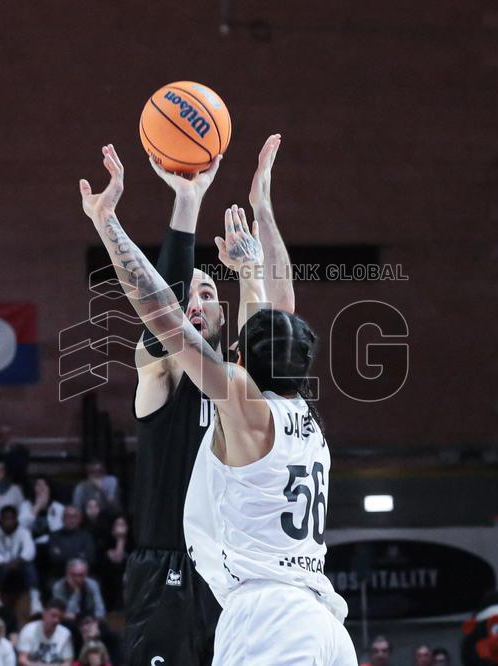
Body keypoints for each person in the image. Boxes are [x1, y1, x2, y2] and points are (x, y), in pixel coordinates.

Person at [80, 144, 355, 664]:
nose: (194, 301)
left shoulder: (241, 395)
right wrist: (253, 210)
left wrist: (107, 224)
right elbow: (276, 306)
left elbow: (163, 307)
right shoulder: (288, 401)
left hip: (258, 600)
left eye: (209, 293)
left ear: (232, 330)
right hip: (247, 590)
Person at [116, 136, 291, 665]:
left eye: (209, 293)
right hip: (164, 565)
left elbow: (273, 317)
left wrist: (257, 237)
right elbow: (158, 309)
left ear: (222, 316)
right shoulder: (160, 371)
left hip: (233, 572)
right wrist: (187, 201)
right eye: (187, 293)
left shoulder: (242, 381)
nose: (197, 301)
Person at [0, 506, 41, 614]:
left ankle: (35, 600)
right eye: (6, 518)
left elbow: (30, 551)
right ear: (0, 519)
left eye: (11, 518)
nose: (8, 522)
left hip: (17, 566)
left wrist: (18, 560)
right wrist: (3, 562)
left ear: (16, 519)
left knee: (29, 566)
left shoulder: (23, 531)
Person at [16, 598, 74, 666]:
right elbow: (22, 659)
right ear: (44, 613)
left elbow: (68, 662)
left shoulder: (65, 634)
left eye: (60, 618)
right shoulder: (29, 630)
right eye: (53, 616)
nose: (57, 620)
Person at [45, 506, 95, 581]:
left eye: (74, 516)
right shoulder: (54, 536)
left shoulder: (86, 536)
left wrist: (63, 554)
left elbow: (89, 558)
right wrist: (78, 555)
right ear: (62, 519)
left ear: (79, 519)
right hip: (59, 576)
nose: (71, 519)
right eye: (68, 516)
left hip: (82, 576)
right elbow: (54, 558)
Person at [18, 477, 64, 546]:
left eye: (45, 485)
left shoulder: (58, 507)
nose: (42, 487)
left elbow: (58, 530)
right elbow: (21, 526)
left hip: (51, 545)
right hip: (29, 544)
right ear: (34, 488)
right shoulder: (25, 505)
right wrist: (37, 506)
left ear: (49, 489)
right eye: (38, 485)